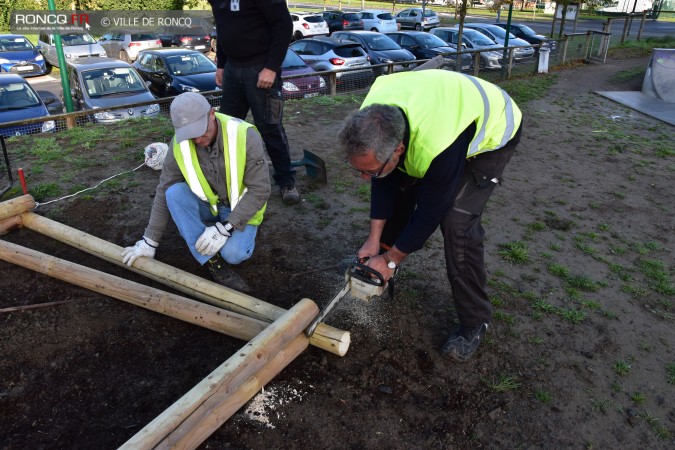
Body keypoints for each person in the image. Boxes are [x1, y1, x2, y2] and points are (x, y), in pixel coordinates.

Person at [338, 70, 522, 361]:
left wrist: (392, 259)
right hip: (438, 120)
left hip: (494, 131)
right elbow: (383, 181)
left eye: (367, 170)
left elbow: (431, 211)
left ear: (399, 148)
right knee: (395, 179)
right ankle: (381, 268)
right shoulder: (371, 120)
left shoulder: (437, 144)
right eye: (358, 169)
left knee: (457, 221)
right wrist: (373, 241)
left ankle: (475, 321)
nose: (363, 178)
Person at [121, 92, 271, 291]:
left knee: (234, 255)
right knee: (173, 193)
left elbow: (260, 190)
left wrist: (226, 227)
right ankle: (211, 262)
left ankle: (228, 231)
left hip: (240, 209)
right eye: (191, 134)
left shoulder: (244, 135)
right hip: (210, 205)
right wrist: (150, 241)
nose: (198, 139)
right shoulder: (179, 144)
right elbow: (163, 189)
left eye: (201, 130)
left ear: (212, 113)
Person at [208, 0, 300, 205]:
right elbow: (223, 28)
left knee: (270, 128)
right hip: (232, 69)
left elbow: (283, 24)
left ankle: (286, 181)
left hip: (261, 68)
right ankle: (226, 179)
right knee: (226, 128)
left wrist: (272, 67)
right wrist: (221, 65)